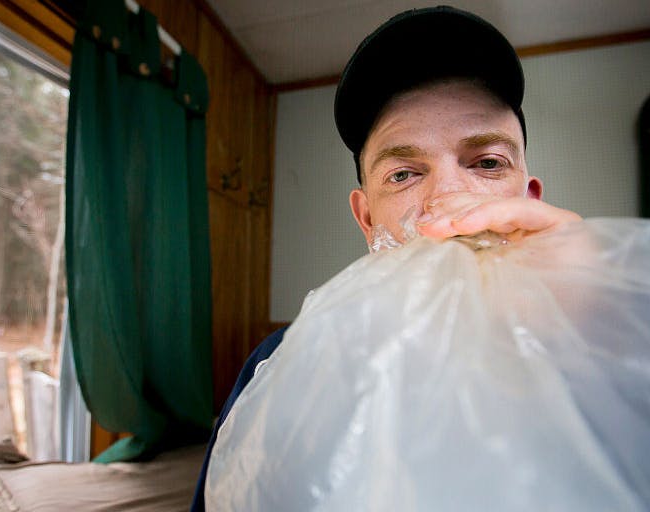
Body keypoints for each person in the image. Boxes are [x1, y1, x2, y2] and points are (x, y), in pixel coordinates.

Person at [190, 6, 580, 510]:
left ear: (528, 200)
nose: (448, 198)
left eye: (486, 163)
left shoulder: (597, 349)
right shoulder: (281, 365)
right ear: (367, 218)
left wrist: (613, 337)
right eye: (403, 174)